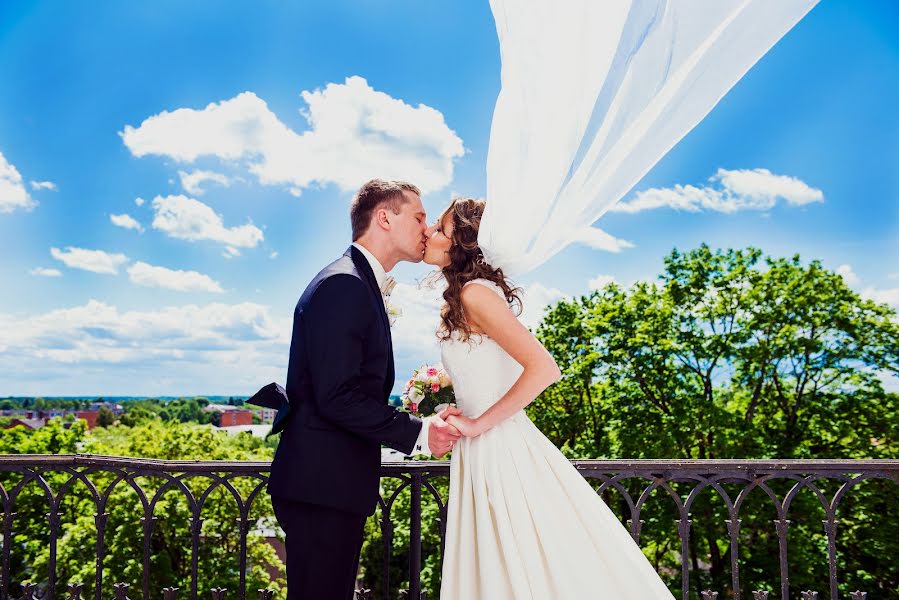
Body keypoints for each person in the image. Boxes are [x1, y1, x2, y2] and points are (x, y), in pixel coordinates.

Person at [423, 197, 676, 599]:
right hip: (481, 451)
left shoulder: (475, 294)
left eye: (439, 229)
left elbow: (544, 368)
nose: (428, 234)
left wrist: (477, 423)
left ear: (463, 244)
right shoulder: (466, 296)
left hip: (499, 451)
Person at [267, 179, 463, 600]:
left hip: (328, 487)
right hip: (321, 489)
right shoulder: (345, 284)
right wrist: (420, 431)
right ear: (384, 217)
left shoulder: (354, 281)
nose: (427, 229)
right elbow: (337, 395)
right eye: (419, 216)